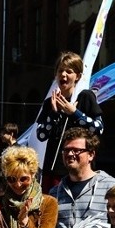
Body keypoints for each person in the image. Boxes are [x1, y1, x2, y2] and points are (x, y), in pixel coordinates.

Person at [35, 51, 105, 180]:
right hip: (53, 170)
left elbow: (99, 128)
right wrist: (53, 114)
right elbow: (41, 135)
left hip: (80, 171)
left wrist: (75, 113)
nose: (63, 75)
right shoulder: (49, 102)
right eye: (60, 71)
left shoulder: (86, 97)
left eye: (69, 71)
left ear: (77, 76)